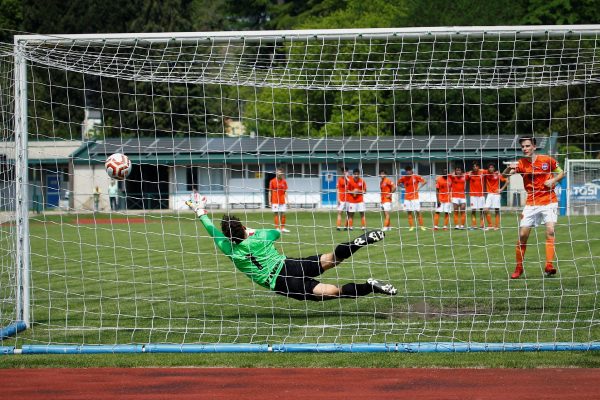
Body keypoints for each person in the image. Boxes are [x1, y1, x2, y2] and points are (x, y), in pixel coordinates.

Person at [185, 198, 397, 301]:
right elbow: (276, 232)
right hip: (289, 264)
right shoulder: (258, 237)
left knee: (332, 292)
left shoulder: (228, 249)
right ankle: (357, 243)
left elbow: (211, 230)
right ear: (242, 228)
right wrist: (252, 230)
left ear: (228, 237)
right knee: (330, 259)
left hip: (279, 281)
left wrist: (200, 212)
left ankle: (369, 286)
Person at [503, 136, 565, 279]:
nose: (525, 149)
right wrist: (508, 167)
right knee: (523, 235)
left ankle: (549, 265)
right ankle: (519, 268)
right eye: (523, 147)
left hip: (549, 200)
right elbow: (505, 175)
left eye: (527, 146)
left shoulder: (546, 160)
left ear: (534, 147)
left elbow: (561, 171)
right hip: (531, 203)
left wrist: (554, 179)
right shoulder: (521, 163)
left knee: (550, 230)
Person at [397, 165, 427, 232]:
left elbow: (425, 181)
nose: (408, 171)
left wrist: (418, 188)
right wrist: (403, 186)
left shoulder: (416, 176)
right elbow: (398, 183)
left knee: (418, 212)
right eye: (406, 170)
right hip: (407, 198)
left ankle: (422, 226)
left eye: (409, 170)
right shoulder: (404, 178)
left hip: (415, 197)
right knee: (409, 212)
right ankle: (411, 227)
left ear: (411, 171)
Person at [483, 164, 508, 230]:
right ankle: (490, 225)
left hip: (496, 194)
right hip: (489, 194)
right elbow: (479, 170)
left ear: (494, 168)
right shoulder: (486, 173)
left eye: (492, 167)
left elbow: (507, 181)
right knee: (485, 209)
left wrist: (501, 189)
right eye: (489, 167)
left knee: (496, 210)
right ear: (488, 168)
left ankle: (496, 226)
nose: (491, 168)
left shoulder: (497, 174)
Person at [268, 168, 289, 232]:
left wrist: (287, 200)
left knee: (283, 214)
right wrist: (269, 201)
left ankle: (282, 228)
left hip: (282, 200)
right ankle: (277, 228)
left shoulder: (284, 181)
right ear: (276, 173)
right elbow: (270, 191)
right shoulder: (272, 181)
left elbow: (285, 191)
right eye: (278, 172)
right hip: (275, 201)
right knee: (276, 214)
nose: (279, 174)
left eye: (280, 173)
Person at [466, 162, 485, 230]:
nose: (475, 168)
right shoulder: (470, 174)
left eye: (476, 166)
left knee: (481, 210)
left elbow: (490, 171)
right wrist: (468, 173)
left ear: (478, 167)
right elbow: (461, 176)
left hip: (481, 195)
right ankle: (474, 225)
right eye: (474, 166)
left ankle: (482, 225)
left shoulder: (482, 172)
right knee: (473, 210)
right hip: (473, 195)